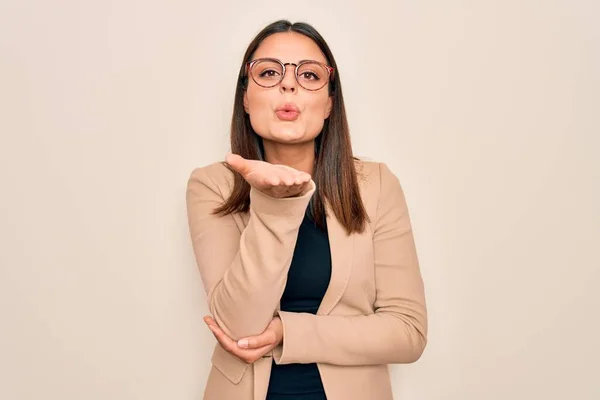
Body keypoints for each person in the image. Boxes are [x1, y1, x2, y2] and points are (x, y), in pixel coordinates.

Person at [186, 19, 427, 400]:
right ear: (245, 97)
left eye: (309, 75)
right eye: (268, 72)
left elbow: (408, 332)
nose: (289, 83)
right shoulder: (212, 186)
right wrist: (273, 203)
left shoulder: (376, 185)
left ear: (330, 103)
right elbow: (240, 326)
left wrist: (288, 333)